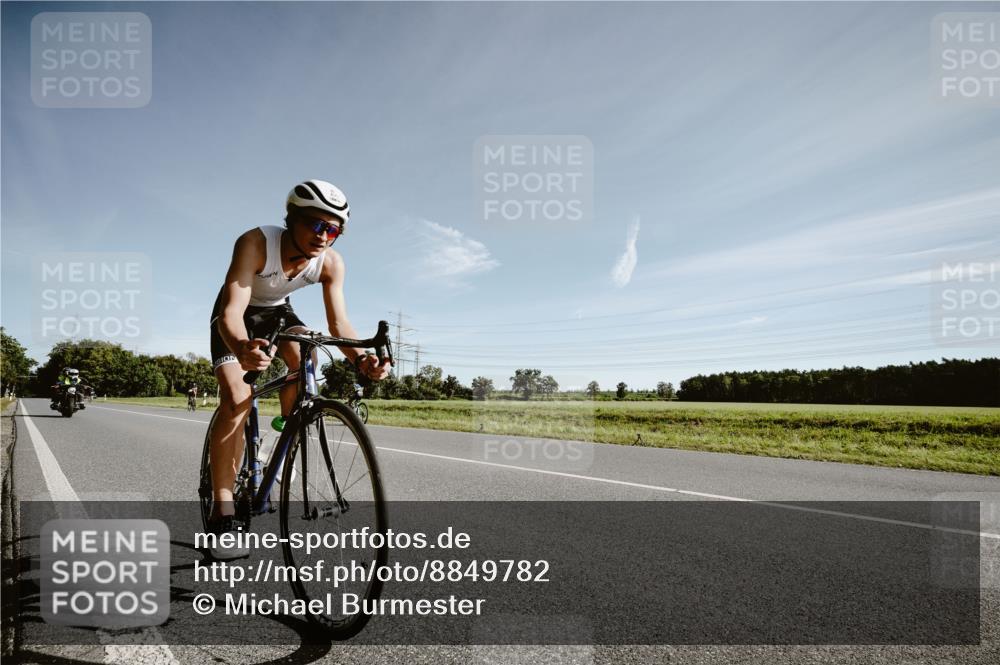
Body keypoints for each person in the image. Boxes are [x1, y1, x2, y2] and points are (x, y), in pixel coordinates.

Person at [207, 179, 391, 560]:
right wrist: (243, 347)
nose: (323, 235)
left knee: (311, 349)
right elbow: (231, 311)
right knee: (238, 398)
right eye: (314, 224)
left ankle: (288, 432)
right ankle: (224, 509)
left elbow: (339, 326)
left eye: (333, 228)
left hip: (278, 313)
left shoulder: (331, 264)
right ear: (291, 218)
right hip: (238, 316)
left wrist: (362, 361)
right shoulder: (256, 243)